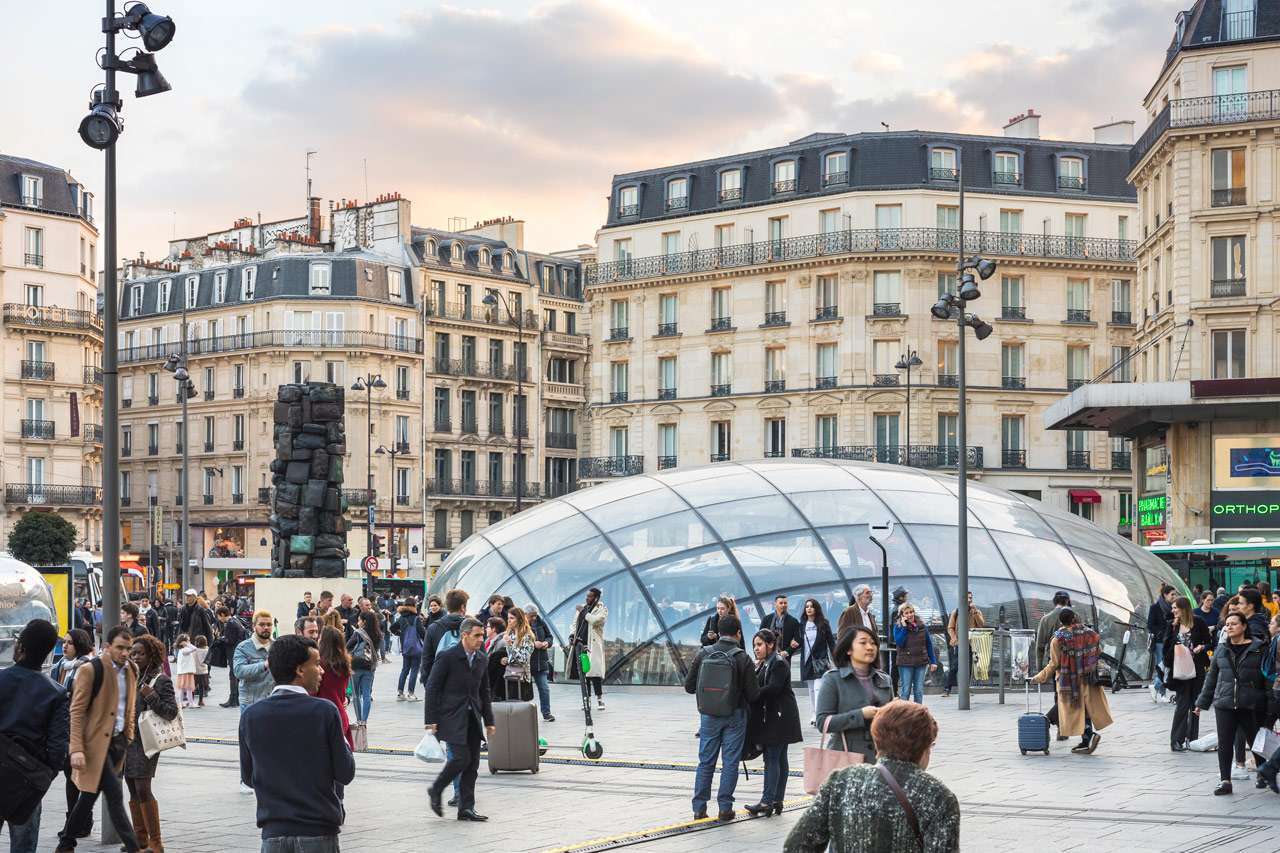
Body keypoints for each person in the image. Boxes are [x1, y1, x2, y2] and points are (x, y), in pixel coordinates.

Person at [783, 700, 960, 853]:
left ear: (877, 741)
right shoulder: (938, 797)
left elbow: (796, 846)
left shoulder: (840, 781)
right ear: (924, 749)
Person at [240, 634, 355, 851]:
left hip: (273, 832)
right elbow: (345, 772)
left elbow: (248, 776)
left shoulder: (251, 715)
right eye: (316, 664)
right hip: (318, 829)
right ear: (300, 670)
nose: (321, 670)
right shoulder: (325, 711)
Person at [56, 626, 142, 853]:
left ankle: (65, 844)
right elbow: (76, 711)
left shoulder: (132, 669)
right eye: (120, 648)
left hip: (117, 744)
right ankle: (135, 848)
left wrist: (129, 735)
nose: (125, 653)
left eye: (128, 648)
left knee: (88, 797)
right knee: (114, 797)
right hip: (94, 746)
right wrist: (76, 749)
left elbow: (129, 706)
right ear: (107, 646)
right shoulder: (91, 670)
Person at [0, 619, 69, 853]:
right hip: (26, 782)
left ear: (20, 648)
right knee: (23, 848)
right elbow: (59, 748)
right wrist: (44, 775)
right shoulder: (56, 693)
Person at [683, 613, 759, 821]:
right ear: (738, 634)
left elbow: (689, 687)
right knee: (730, 763)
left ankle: (699, 807)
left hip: (708, 716)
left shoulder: (703, 653)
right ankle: (725, 807)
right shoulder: (743, 657)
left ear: (717, 633)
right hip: (735, 716)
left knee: (706, 762)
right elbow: (753, 694)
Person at [425, 617, 495, 822]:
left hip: (473, 717)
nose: (481, 639)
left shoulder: (481, 658)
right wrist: (430, 719)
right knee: (460, 759)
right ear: (464, 636)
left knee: (472, 764)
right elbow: (432, 687)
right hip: (451, 717)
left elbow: (484, 691)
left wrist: (489, 721)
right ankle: (436, 789)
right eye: (477, 635)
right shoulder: (448, 657)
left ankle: (466, 808)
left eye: (482, 635)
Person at [1195, 611, 1267, 794]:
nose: (1229, 627)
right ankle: (1225, 780)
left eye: (1234, 624)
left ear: (1244, 626)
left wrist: (1270, 703)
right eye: (1227, 624)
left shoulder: (1259, 648)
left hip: (1250, 703)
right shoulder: (1222, 649)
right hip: (1225, 702)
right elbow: (1212, 677)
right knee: (1225, 742)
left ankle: (1262, 772)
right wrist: (1202, 702)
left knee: (1255, 742)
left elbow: (1266, 678)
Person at [122, 634, 178, 853]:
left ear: (152, 655)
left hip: (146, 741)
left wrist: (151, 695)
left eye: (141, 653)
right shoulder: (130, 676)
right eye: (133, 653)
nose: (135, 657)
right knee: (131, 787)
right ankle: (139, 838)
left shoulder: (160, 680)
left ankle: (156, 841)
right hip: (127, 739)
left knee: (143, 787)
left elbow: (171, 712)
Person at [1031, 608, 1113, 755]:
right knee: (1087, 709)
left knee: (1076, 709)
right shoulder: (1088, 633)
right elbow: (1098, 649)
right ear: (1075, 618)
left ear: (1061, 622)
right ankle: (1086, 739)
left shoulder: (1058, 638)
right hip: (1088, 677)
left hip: (1069, 681)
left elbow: (1054, 663)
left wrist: (1040, 677)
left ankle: (1088, 736)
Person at [744, 628, 802, 818]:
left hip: (779, 717)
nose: (756, 649)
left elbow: (773, 688)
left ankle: (767, 801)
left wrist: (751, 694)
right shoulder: (766, 663)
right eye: (754, 646)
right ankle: (776, 799)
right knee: (779, 757)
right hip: (780, 715)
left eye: (759, 645)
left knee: (772, 757)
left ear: (770, 644)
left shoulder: (777, 663)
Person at [814, 625, 893, 762]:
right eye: (863, 643)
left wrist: (896, 712)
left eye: (873, 643)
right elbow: (822, 722)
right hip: (845, 756)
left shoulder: (884, 679)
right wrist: (860, 715)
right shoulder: (833, 679)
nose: (870, 647)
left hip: (879, 757)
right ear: (849, 649)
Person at [1164, 595, 1211, 752]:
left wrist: (1202, 648)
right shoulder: (1171, 625)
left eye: (1175, 607)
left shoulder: (1198, 622)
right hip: (1180, 669)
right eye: (1172, 608)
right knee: (1183, 703)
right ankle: (1176, 740)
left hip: (1197, 667)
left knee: (1195, 703)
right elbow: (1165, 650)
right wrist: (1175, 647)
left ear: (1184, 608)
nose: (1173, 610)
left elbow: (1210, 641)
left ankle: (1193, 739)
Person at [569, 587, 608, 710]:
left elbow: (596, 621)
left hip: (592, 645)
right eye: (587, 596)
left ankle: (600, 699)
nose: (587, 598)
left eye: (590, 596)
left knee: (594, 674)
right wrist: (571, 635)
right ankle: (587, 700)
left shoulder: (602, 610)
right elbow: (575, 624)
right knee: (584, 674)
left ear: (596, 598)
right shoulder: (582, 610)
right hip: (580, 645)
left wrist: (584, 613)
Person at [316, 626, 354, 751]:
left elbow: (313, 693)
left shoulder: (320, 666)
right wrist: (347, 698)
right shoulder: (344, 664)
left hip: (322, 716)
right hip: (340, 714)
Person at [799, 598, 836, 724]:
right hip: (807, 660)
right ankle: (815, 712)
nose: (809, 608)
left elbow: (831, 641)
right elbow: (799, 642)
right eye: (807, 606)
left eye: (811, 606)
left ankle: (819, 713)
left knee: (817, 688)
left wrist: (836, 656)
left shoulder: (823, 623)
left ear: (816, 609)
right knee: (810, 688)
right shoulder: (802, 624)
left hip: (819, 659)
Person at [942, 592, 985, 698]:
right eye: (967, 598)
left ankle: (966, 688)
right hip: (959, 644)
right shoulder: (956, 612)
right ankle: (947, 688)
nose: (969, 600)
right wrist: (955, 640)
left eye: (971, 598)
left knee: (969, 666)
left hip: (971, 643)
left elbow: (981, 625)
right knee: (955, 666)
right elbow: (950, 627)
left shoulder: (976, 612)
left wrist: (975, 612)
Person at [234, 611, 276, 719]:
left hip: (273, 702)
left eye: (269, 624)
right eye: (262, 624)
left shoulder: (277, 646)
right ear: (254, 626)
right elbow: (239, 671)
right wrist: (264, 665)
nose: (266, 627)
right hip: (251, 703)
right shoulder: (243, 647)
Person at [893, 603, 937, 703]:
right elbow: (900, 642)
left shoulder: (922, 626)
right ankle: (904, 715)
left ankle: (918, 715)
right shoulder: (898, 627)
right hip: (905, 662)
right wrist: (904, 627)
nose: (910, 615)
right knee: (906, 691)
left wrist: (933, 661)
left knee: (918, 691)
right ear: (902, 615)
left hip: (920, 661)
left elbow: (928, 644)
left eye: (911, 612)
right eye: (907, 613)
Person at [347, 610, 382, 727]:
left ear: (364, 621)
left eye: (359, 620)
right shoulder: (377, 634)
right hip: (370, 667)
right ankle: (364, 721)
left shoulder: (358, 633)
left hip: (356, 666)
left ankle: (358, 719)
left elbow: (348, 646)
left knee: (356, 695)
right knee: (366, 695)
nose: (358, 622)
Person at [526, 604, 555, 722]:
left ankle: (546, 713)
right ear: (525, 614)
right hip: (527, 663)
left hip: (541, 663)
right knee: (525, 691)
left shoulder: (541, 623)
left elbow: (550, 636)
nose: (534, 618)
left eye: (535, 615)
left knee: (544, 688)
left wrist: (547, 643)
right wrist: (534, 645)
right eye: (531, 616)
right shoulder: (521, 625)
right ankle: (524, 714)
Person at [214, 607, 248, 708]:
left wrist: (220, 639)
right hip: (239, 651)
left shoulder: (230, 623)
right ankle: (235, 698)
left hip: (233, 652)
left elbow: (231, 640)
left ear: (223, 614)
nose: (219, 619)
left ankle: (233, 698)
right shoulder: (236, 620)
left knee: (233, 676)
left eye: (219, 616)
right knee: (235, 675)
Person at [394, 597, 426, 702]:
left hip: (405, 647)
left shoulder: (401, 618)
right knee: (414, 670)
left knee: (405, 669)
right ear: (414, 606)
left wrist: (401, 634)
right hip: (416, 647)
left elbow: (392, 628)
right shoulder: (416, 618)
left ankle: (400, 693)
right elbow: (422, 633)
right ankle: (411, 694)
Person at [760, 594, 802, 671]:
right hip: (768, 656)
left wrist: (786, 652)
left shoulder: (793, 621)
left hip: (785, 657)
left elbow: (798, 640)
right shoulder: (767, 619)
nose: (783, 605)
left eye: (785, 603)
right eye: (781, 603)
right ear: (775, 605)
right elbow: (760, 638)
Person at [502, 607, 535, 702]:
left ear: (519, 619)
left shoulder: (527, 636)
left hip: (522, 677)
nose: (509, 621)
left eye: (512, 618)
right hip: (510, 674)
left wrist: (510, 645)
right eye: (508, 618)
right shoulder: (510, 634)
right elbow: (512, 655)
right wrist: (506, 659)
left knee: (518, 709)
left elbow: (523, 659)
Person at [174, 633, 198, 708]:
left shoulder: (180, 650)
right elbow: (195, 648)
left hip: (182, 671)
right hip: (187, 671)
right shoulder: (185, 650)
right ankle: (191, 703)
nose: (189, 642)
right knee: (189, 688)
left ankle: (181, 703)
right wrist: (187, 644)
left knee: (182, 688)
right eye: (188, 640)